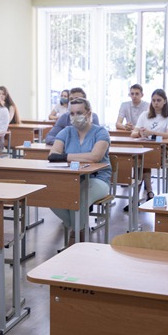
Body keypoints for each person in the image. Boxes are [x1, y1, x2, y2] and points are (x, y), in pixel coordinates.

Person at [48, 97, 111, 241]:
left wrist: (66, 156)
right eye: (72, 113)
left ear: (89, 114)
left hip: (98, 179)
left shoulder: (101, 132)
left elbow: (95, 157)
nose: (75, 117)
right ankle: (79, 228)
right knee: (50, 195)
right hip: (71, 179)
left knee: (79, 198)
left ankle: (76, 237)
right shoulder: (66, 132)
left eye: (79, 113)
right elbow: (53, 155)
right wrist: (79, 157)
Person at [130, 89, 168, 203]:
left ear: (164, 101)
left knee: (142, 164)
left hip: (159, 150)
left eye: (159, 100)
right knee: (141, 162)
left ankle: (136, 197)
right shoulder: (144, 115)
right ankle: (148, 192)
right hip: (143, 148)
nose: (156, 103)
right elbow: (133, 133)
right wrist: (140, 133)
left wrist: (152, 132)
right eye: (154, 100)